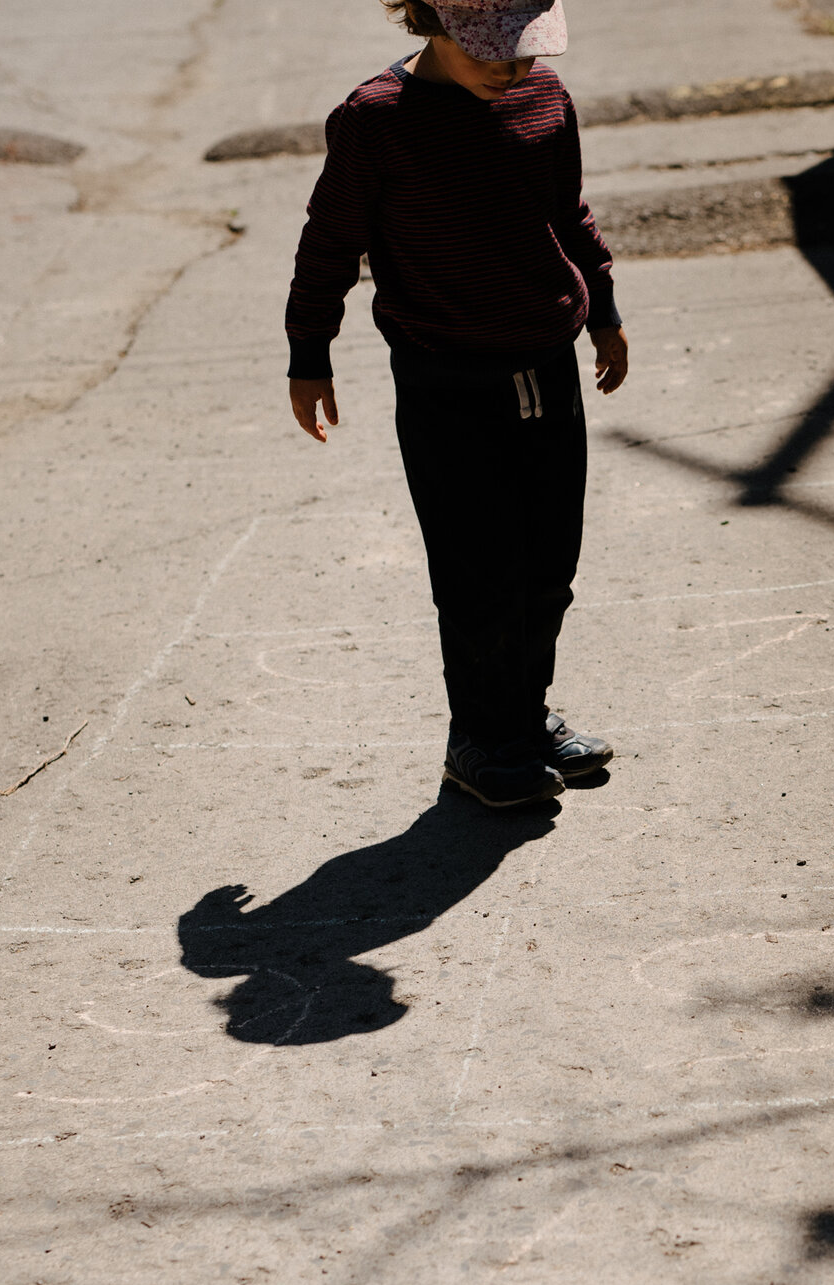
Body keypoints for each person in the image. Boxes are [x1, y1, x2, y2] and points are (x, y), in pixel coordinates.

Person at [285, 0, 627, 808]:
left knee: (548, 565)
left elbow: (568, 210)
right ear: (431, 21)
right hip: (446, 376)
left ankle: (523, 717)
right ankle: (479, 737)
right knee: (477, 571)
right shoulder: (376, 119)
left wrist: (603, 310)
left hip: (545, 360)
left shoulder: (545, 98)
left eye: (524, 52)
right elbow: (329, 240)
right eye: (492, 56)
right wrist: (310, 353)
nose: (512, 70)